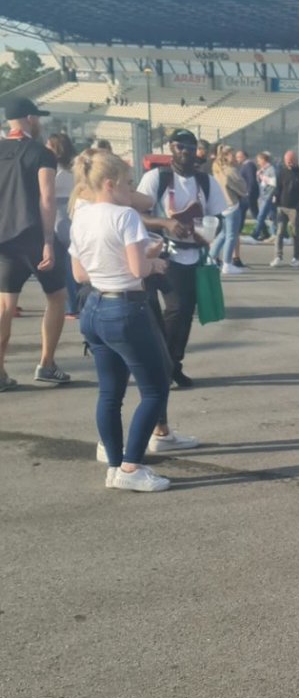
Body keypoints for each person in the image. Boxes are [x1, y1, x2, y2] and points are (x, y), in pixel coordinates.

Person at [70, 149, 199, 492]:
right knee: (155, 389)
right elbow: (138, 270)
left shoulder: (80, 215)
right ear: (110, 184)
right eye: (128, 184)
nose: (133, 192)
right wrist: (154, 262)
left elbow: (79, 272)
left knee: (109, 393)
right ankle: (130, 466)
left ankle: (115, 465)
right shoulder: (124, 217)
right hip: (126, 308)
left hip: (94, 308)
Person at [136, 128, 228, 389]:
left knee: (185, 313)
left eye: (189, 148)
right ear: (170, 148)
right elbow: (138, 214)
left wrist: (209, 232)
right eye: (179, 147)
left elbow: (219, 217)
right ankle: (161, 367)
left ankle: (173, 364)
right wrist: (164, 222)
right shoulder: (157, 178)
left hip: (194, 256)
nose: (185, 153)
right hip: (164, 253)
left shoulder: (206, 181)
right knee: (174, 310)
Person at [0, 96, 71, 390]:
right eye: (37, 118)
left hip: (3, 238)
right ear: (30, 119)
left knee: (5, 305)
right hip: (32, 235)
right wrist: (48, 242)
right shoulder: (42, 153)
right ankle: (46, 362)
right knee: (56, 296)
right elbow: (46, 197)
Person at [45, 132, 81, 317]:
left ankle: (71, 305)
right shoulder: (74, 168)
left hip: (59, 214)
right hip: (73, 211)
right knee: (73, 259)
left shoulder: (53, 169)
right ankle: (76, 302)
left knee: (65, 264)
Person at [209, 145, 248, 276]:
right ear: (226, 156)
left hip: (222, 205)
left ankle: (211, 257)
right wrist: (243, 191)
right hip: (232, 205)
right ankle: (227, 264)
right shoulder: (230, 171)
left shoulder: (217, 169)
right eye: (232, 154)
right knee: (231, 235)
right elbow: (242, 187)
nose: (234, 157)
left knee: (223, 234)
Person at [272, 150, 299, 268]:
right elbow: (278, 188)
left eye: (291, 161)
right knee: (279, 232)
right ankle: (278, 256)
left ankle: (296, 258)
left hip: (295, 209)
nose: (289, 164)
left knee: (295, 234)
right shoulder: (282, 173)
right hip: (282, 207)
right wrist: (275, 199)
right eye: (287, 161)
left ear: (296, 161)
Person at [250, 152, 277, 242]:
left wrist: (262, 177)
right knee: (271, 216)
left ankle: (255, 235)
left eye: (259, 160)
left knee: (261, 216)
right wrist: (259, 175)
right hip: (264, 196)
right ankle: (275, 234)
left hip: (268, 196)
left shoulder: (271, 169)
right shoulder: (264, 170)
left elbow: (274, 182)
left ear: (264, 160)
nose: (258, 163)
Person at [236, 149, 258, 235]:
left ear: (244, 157)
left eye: (238, 157)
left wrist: (249, 192)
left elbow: (251, 180)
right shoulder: (245, 165)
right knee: (243, 212)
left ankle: (263, 231)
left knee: (254, 213)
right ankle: (238, 230)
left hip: (248, 194)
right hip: (246, 194)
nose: (237, 159)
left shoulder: (249, 166)